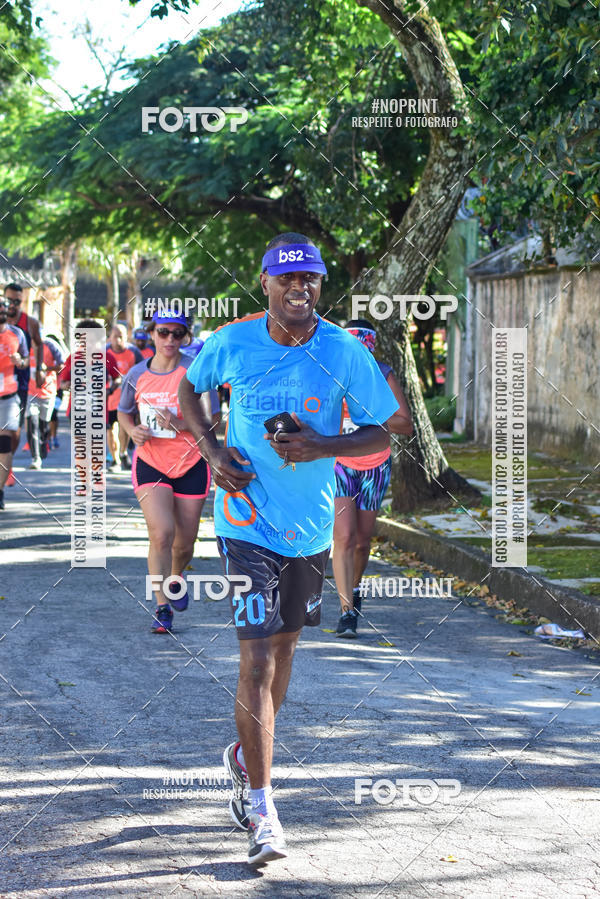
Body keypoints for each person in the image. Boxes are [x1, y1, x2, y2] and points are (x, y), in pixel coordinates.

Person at [179, 232, 399, 867]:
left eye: (310, 279)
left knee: (285, 653)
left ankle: (247, 754)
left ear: (320, 285)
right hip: (244, 520)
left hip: (308, 530)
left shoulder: (342, 351)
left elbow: (388, 428)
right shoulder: (233, 341)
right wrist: (213, 451)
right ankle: (262, 805)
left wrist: (324, 446)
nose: (299, 288)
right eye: (287, 278)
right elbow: (189, 390)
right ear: (267, 282)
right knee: (258, 663)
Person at [118, 309, 212, 634]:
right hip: (151, 462)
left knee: (184, 545)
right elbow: (123, 412)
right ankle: (161, 606)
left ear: (186, 336)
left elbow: (213, 421)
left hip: (191, 463)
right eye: (163, 332)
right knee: (161, 533)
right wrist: (132, 432)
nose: (169, 339)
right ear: (152, 334)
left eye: (177, 333)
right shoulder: (136, 374)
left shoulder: (197, 371)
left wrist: (182, 424)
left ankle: (176, 576)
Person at [332, 319, 413, 637]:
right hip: (339, 464)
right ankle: (346, 611)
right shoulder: (331, 374)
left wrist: (369, 413)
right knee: (345, 538)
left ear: (371, 347)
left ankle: (354, 589)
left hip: (375, 466)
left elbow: (405, 424)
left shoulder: (384, 374)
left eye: (363, 349)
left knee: (363, 541)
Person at [3, 283, 44, 482]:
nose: (13, 305)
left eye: (17, 301)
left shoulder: (30, 323)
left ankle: (6, 465)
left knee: (14, 431)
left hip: (19, 383)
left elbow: (39, 343)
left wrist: (41, 369)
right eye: (10, 300)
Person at [0, 298, 28, 509]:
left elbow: (27, 359)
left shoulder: (17, 333)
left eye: (4, 307)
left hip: (8, 396)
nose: (2, 310)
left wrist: (21, 360)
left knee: (4, 444)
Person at [25, 335, 65, 469]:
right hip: (30, 393)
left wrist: (46, 368)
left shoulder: (51, 345)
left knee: (43, 425)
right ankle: (35, 458)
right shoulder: (25, 345)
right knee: (32, 423)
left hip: (48, 392)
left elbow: (62, 366)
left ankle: (43, 447)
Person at [106, 324, 142, 470]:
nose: (118, 340)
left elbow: (143, 371)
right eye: (115, 336)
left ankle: (123, 452)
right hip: (108, 398)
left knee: (124, 427)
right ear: (110, 337)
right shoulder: (104, 352)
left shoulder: (133, 352)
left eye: (121, 336)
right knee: (110, 428)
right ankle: (115, 460)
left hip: (128, 398)